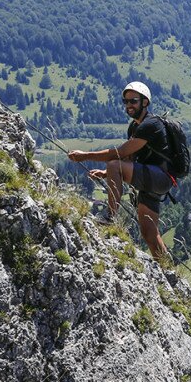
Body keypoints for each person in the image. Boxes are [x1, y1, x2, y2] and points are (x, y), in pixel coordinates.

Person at [67, 81, 172, 260]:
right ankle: (167, 268)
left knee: (114, 164)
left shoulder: (151, 125)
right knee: (148, 232)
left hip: (159, 177)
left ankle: (110, 216)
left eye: (133, 101)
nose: (129, 105)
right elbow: (129, 158)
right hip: (153, 179)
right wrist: (106, 173)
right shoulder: (134, 127)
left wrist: (85, 155)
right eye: (126, 101)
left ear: (145, 102)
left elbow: (120, 153)